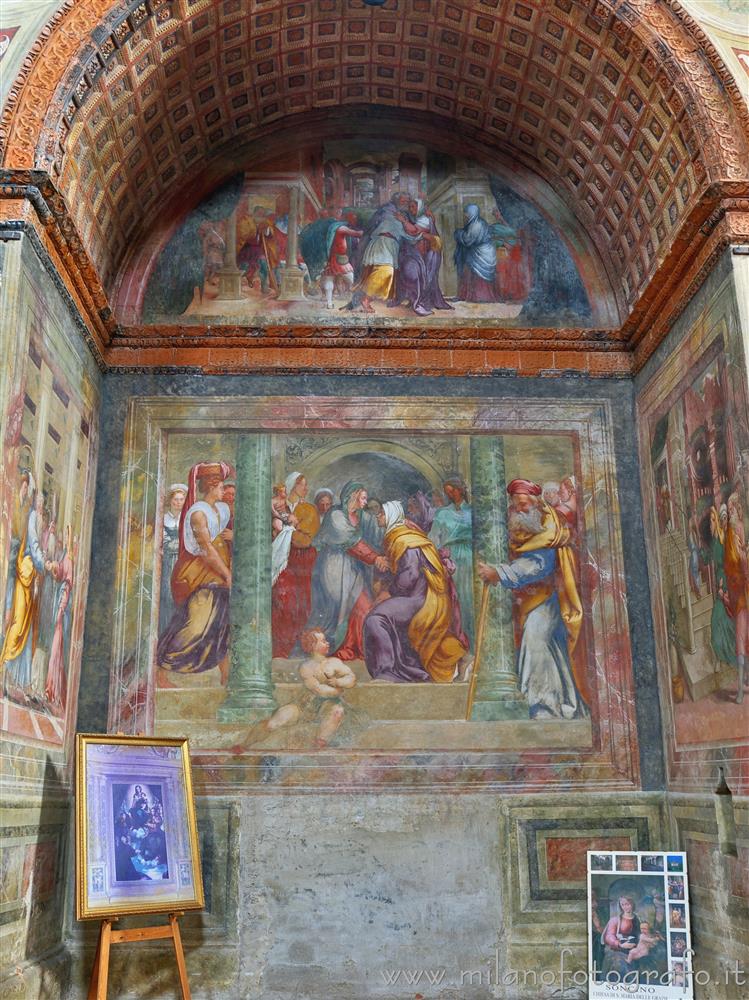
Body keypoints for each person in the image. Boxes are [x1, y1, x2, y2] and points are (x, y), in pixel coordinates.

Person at [477, 478, 589, 719]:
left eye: (525, 505)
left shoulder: (548, 528)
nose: (520, 510)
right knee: (546, 647)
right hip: (525, 599)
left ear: (536, 504)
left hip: (547, 597)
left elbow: (538, 565)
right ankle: (562, 701)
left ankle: (544, 705)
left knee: (536, 640)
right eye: (517, 505)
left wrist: (499, 573)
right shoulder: (519, 526)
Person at [364, 501, 468, 683]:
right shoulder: (401, 536)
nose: (378, 516)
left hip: (421, 599)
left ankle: (387, 672)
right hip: (418, 596)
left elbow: (410, 575)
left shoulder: (403, 539)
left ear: (391, 515)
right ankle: (410, 672)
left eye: (381, 513)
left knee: (376, 619)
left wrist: (389, 593)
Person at [156, 461, 233, 685]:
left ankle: (226, 672)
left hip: (218, 569)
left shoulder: (224, 509)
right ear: (211, 486)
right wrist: (227, 575)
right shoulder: (197, 513)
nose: (224, 491)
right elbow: (207, 549)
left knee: (221, 623)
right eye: (221, 487)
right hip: (198, 573)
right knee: (196, 625)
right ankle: (162, 668)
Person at [306, 481, 386, 658]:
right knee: (337, 610)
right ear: (353, 495)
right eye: (363, 498)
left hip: (352, 568)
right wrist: (375, 558)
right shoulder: (336, 515)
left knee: (363, 607)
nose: (365, 502)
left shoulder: (361, 516)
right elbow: (353, 543)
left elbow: (378, 533)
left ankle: (354, 648)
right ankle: (337, 646)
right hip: (334, 567)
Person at [252, 628, 358, 748]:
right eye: (323, 641)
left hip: (328, 705)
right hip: (303, 706)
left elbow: (351, 678)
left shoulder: (334, 662)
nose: (327, 643)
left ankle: (318, 746)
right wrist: (338, 690)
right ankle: (245, 745)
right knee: (276, 720)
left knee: (337, 712)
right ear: (313, 646)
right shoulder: (306, 667)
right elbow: (318, 690)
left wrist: (338, 681)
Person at [1, 486, 49, 696]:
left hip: (31, 577)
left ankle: (16, 679)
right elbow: (34, 543)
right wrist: (44, 562)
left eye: (42, 503)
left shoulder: (39, 520)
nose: (41, 505)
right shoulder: (31, 518)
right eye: (39, 501)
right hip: (25, 572)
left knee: (26, 630)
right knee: (18, 625)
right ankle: (3, 668)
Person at [272, 472, 320, 658]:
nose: (305, 489)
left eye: (306, 485)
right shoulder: (278, 506)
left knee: (300, 606)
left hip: (301, 562)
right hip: (281, 562)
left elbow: (305, 540)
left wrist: (283, 532)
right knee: (282, 602)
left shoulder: (309, 509)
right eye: (302, 485)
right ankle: (279, 649)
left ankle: (292, 648)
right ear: (292, 486)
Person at [430, 477, 475, 648]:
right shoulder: (442, 513)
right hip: (450, 559)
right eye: (447, 491)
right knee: (453, 600)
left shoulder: (473, 511)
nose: (450, 494)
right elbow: (434, 539)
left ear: (461, 489)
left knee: (469, 598)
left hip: (470, 556)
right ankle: (457, 644)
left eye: (453, 490)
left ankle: (472, 642)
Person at [44, 524, 75, 708]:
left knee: (58, 648)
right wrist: (53, 567)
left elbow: (66, 581)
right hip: (60, 603)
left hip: (63, 607)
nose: (63, 537)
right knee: (54, 648)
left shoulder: (69, 559)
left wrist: (61, 608)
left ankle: (54, 689)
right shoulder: (64, 556)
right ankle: (51, 687)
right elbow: (59, 574)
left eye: (66, 534)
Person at [723, 490, 749, 702]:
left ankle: (742, 688)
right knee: (740, 638)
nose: (732, 512)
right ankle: (740, 689)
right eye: (730, 509)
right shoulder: (731, 533)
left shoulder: (737, 530)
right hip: (739, 593)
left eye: (733, 508)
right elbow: (732, 564)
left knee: (743, 638)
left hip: (743, 591)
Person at [708, 503, 737, 669]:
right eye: (720, 518)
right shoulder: (717, 539)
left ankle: (733, 660)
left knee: (725, 621)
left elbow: (730, 563)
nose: (723, 521)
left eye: (725, 518)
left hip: (728, 584)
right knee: (719, 622)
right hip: (721, 584)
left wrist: (722, 586)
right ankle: (722, 657)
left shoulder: (727, 538)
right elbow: (710, 559)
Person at [454, 203, 500, 303]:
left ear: (472, 213)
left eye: (467, 213)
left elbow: (468, 240)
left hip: (480, 254)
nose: (466, 215)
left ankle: (481, 297)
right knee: (469, 274)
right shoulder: (479, 223)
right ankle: (469, 295)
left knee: (475, 275)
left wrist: (458, 233)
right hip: (481, 253)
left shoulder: (476, 224)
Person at [159, 483, 188, 632]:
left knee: (183, 597)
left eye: (181, 499)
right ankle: (166, 633)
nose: (178, 503)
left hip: (183, 563)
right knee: (167, 596)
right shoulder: (163, 519)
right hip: (168, 562)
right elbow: (160, 542)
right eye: (175, 499)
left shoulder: (187, 521)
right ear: (170, 501)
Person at [601, 896, 641, 980]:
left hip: (635, 950)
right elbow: (609, 936)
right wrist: (620, 945)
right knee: (622, 966)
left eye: (627, 904)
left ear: (632, 904)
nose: (625, 907)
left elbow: (639, 934)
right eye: (622, 905)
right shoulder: (615, 920)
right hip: (618, 950)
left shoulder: (637, 919)